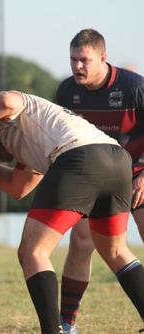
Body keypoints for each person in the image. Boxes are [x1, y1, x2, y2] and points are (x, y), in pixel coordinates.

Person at [0, 90, 144, 333]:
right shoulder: (32, 136)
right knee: (116, 251)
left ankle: (53, 330)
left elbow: (6, 100)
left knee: (32, 252)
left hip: (79, 157)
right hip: (117, 160)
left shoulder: (7, 115)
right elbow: (18, 188)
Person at [55, 28, 144, 333]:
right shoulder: (67, 92)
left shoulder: (135, 88)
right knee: (80, 243)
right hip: (93, 178)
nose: (77, 66)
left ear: (103, 58)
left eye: (84, 60)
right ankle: (67, 324)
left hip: (136, 174)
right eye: (73, 59)